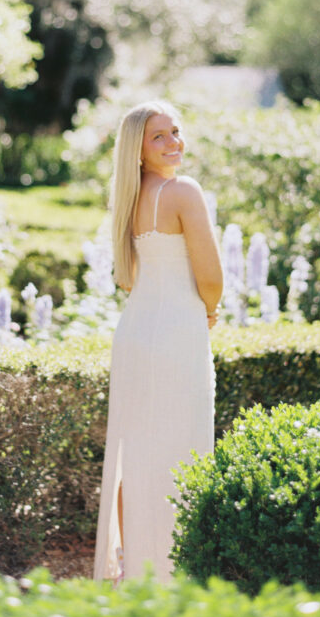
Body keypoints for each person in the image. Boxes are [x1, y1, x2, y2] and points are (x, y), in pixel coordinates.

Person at [93, 100, 223, 583]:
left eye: (176, 131)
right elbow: (211, 276)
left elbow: (130, 280)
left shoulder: (128, 199)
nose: (174, 143)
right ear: (139, 151)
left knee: (137, 454)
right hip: (178, 331)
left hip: (136, 332)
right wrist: (209, 309)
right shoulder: (183, 191)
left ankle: (137, 572)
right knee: (184, 449)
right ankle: (174, 574)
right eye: (159, 137)